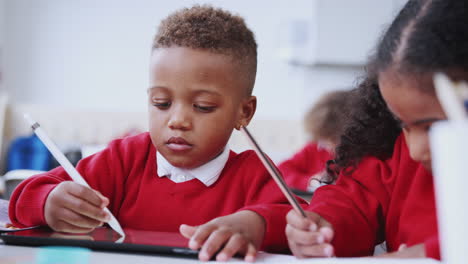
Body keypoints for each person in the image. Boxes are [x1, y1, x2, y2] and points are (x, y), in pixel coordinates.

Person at [8, 5, 299, 262]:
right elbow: (22, 200)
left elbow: (299, 224)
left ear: (244, 112)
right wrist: (48, 202)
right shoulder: (123, 159)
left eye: (203, 106)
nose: (177, 121)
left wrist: (255, 223)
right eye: (162, 103)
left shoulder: (254, 173)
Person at [285, 0, 467, 260]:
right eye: (402, 124)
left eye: (433, 127)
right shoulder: (391, 149)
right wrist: (324, 225)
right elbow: (352, 198)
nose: (415, 151)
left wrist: (427, 254)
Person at [278, 90, 350, 192]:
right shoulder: (315, 147)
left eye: (335, 139)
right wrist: (310, 181)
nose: (329, 146)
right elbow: (281, 171)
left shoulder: (365, 158)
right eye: (326, 139)